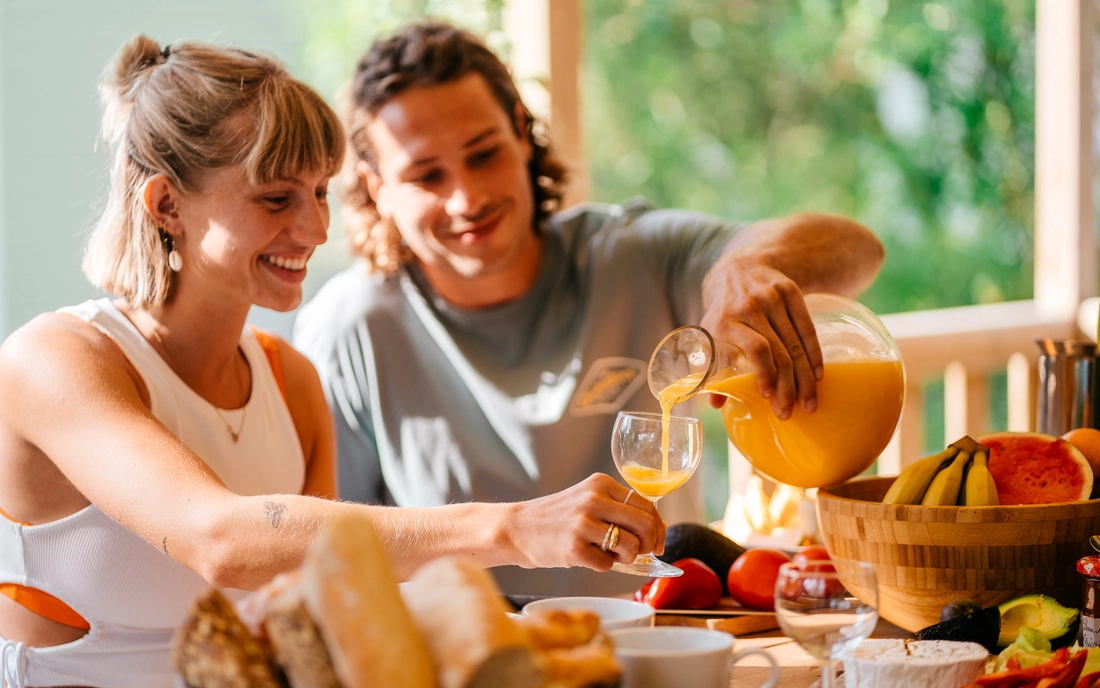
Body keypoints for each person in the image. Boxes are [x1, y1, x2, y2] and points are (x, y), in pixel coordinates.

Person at [0, 36, 664, 688]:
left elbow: (307, 617)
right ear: (167, 204)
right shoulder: (56, 360)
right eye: (275, 198)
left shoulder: (291, 382)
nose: (317, 229)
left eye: (319, 192)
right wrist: (516, 529)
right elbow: (221, 540)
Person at [294, 21, 886, 597]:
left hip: (654, 641)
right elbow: (330, 550)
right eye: (427, 175)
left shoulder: (632, 256)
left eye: (484, 154)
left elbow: (857, 250)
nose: (466, 198)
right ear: (377, 189)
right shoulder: (350, 329)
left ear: (521, 134)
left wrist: (742, 268)